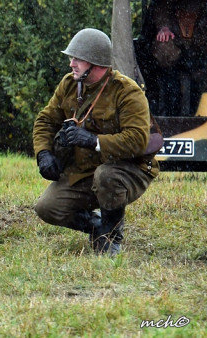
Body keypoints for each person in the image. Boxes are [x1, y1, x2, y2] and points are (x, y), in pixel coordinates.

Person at [32, 27, 159, 256]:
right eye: (72, 58)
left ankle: (111, 236)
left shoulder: (127, 92)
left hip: (129, 169)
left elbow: (138, 139)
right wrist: (44, 153)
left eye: (77, 59)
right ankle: (98, 227)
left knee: (106, 176)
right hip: (85, 170)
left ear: (96, 63)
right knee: (47, 208)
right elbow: (45, 120)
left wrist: (93, 140)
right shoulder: (69, 84)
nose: (72, 64)